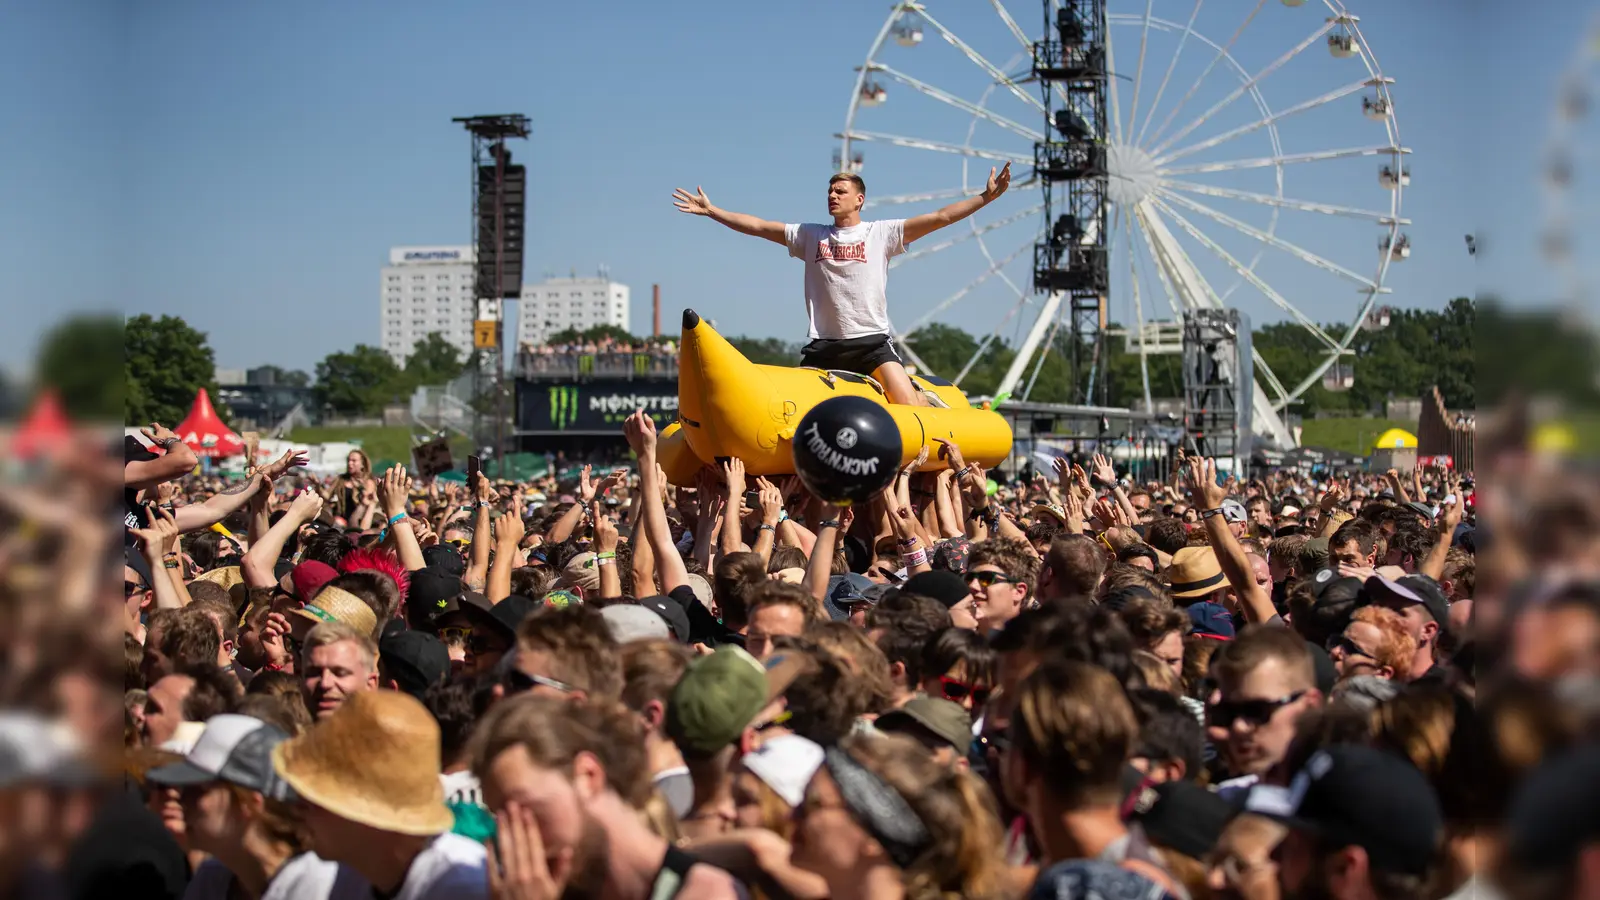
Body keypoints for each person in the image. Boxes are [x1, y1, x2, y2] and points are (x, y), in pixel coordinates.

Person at [672, 163, 1012, 407]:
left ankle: (926, 397)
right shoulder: (811, 235)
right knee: (789, 408)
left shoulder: (881, 233)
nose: (832, 196)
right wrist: (713, 211)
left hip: (870, 344)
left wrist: (986, 197)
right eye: (830, 191)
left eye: (840, 191)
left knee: (907, 403)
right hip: (825, 346)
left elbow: (940, 217)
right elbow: (759, 226)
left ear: (859, 200)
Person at [271, 691, 488, 899]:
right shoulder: (350, 874)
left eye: (319, 795)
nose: (298, 806)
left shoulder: (463, 887)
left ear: (368, 811)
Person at [145, 714, 370, 900]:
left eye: (198, 789)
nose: (180, 799)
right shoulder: (211, 877)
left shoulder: (323, 886)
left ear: (250, 803)